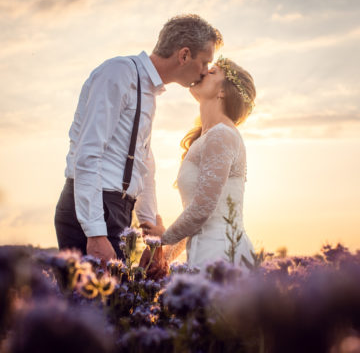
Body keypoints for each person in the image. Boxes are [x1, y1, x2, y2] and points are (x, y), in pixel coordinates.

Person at [54, 14, 223, 265]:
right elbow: (88, 153)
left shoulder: (148, 91)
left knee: (117, 304)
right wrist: (95, 232)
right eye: (205, 61)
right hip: (92, 208)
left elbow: (143, 164)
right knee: (95, 304)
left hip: (115, 210)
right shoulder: (119, 73)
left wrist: (149, 224)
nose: (206, 71)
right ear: (184, 55)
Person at [141, 56, 256, 270]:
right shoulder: (208, 137)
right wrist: (165, 256)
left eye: (212, 72)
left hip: (222, 252)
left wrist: (162, 238)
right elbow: (197, 217)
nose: (203, 73)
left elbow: (203, 208)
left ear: (223, 92)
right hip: (205, 250)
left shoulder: (222, 135)